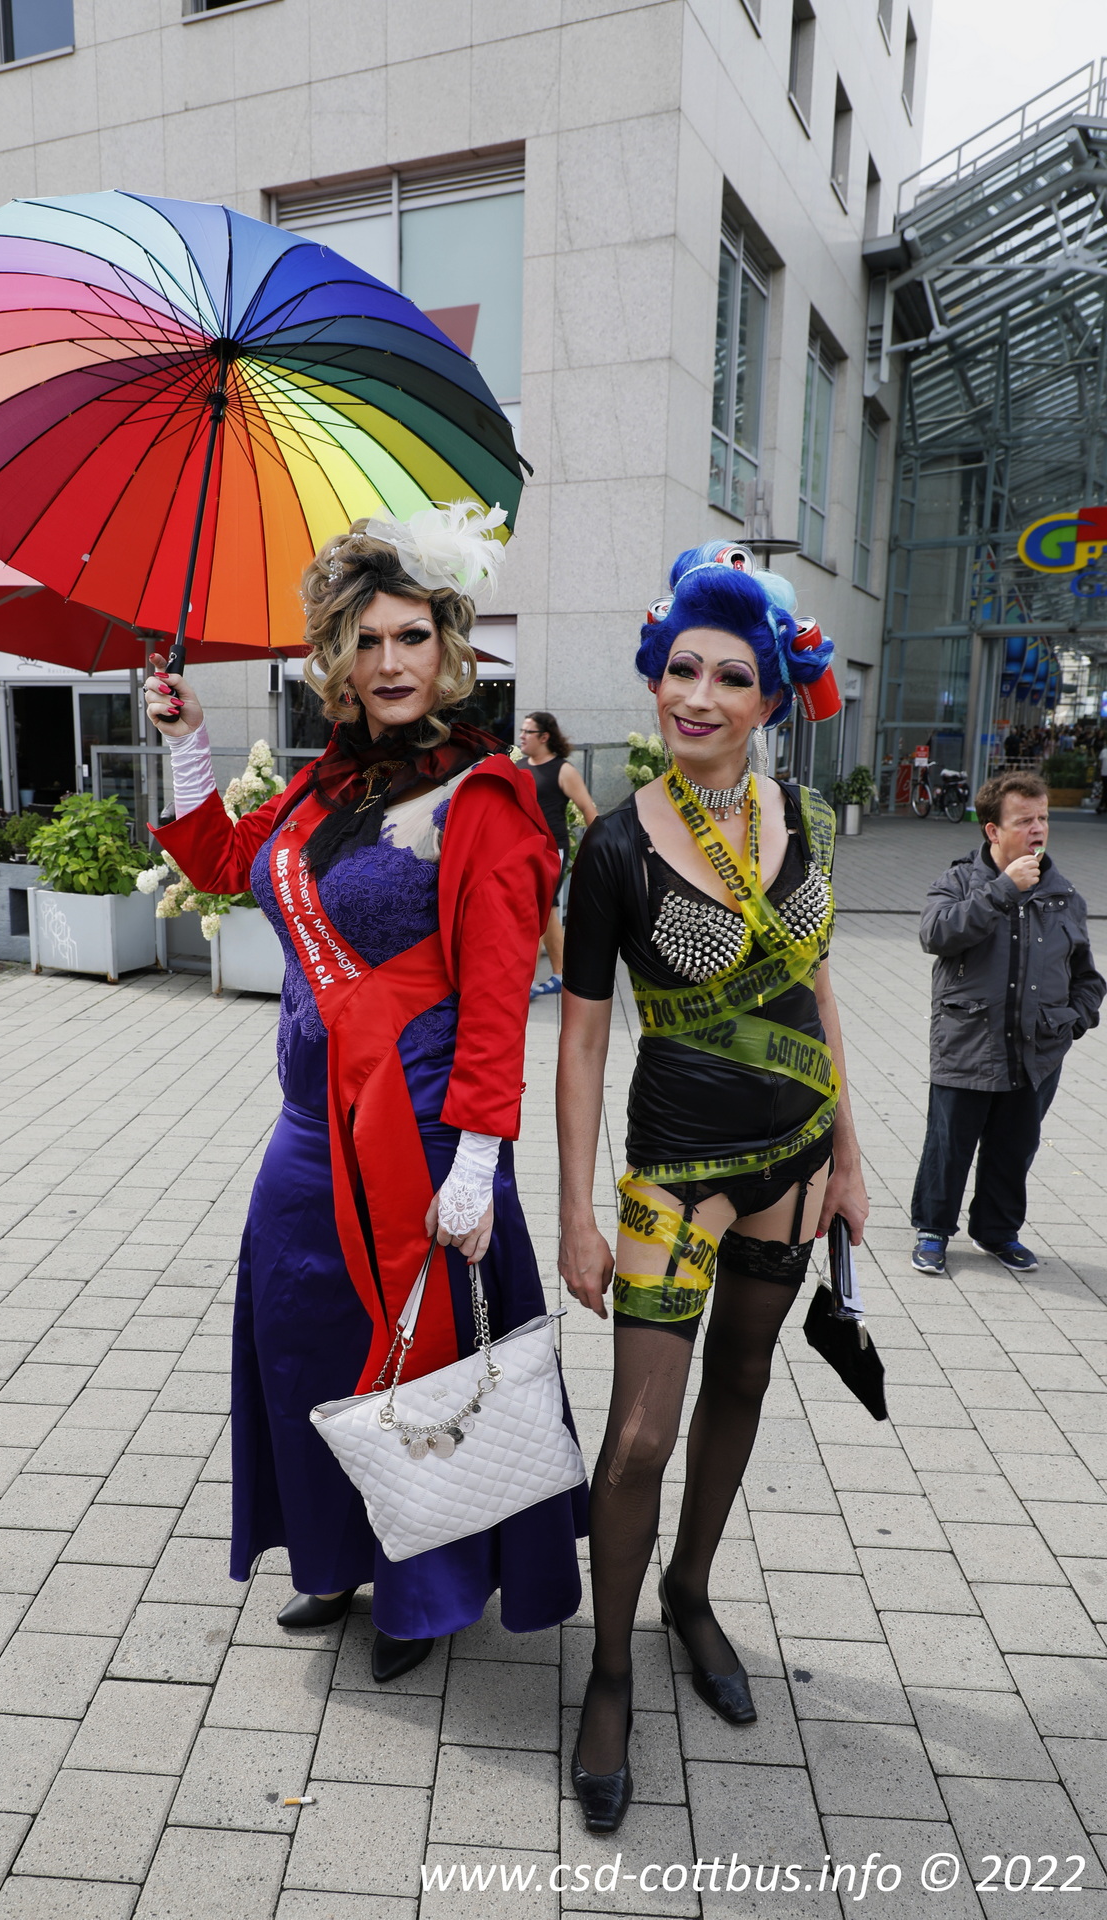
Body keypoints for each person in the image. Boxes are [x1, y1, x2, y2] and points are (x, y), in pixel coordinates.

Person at [144, 504, 586, 1685]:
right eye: (366, 640)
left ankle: (422, 1593)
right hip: (306, 1137)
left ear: (448, 647)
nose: (391, 662)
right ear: (336, 658)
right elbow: (224, 866)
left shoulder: (486, 797)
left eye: (411, 637)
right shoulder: (319, 792)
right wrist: (187, 740)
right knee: (305, 1350)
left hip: (424, 1141)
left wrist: (479, 1164)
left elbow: (497, 997)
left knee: (419, 1366)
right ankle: (332, 1557)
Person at [555, 543, 867, 1832]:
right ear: (654, 679)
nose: (696, 695)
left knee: (743, 1379)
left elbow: (819, 993)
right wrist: (574, 1212)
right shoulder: (611, 848)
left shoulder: (811, 823)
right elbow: (580, 1040)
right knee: (639, 1435)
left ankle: (689, 1591)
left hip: (793, 1161)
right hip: (675, 1175)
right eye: (679, 668)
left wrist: (848, 1156)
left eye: (728, 676)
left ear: (768, 699)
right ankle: (608, 1670)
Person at [909, 771, 1104, 1275]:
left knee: (1013, 1150)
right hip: (968, 1043)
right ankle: (933, 1231)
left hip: (1037, 1050)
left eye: (1043, 818)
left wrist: (1073, 1020)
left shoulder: (1064, 895)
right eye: (1024, 820)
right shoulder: (959, 883)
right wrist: (1002, 890)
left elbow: (1087, 977)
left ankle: (997, 1233)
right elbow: (936, 934)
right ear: (993, 830)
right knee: (949, 1147)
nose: (1038, 829)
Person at [518, 711, 598, 997]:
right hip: (524, 850)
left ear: (544, 736)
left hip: (552, 851)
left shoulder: (563, 770)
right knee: (548, 911)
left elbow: (588, 809)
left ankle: (525, 983)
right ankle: (561, 975)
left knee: (537, 911)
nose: (521, 736)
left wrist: (598, 849)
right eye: (522, 730)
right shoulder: (519, 766)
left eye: (528, 732)